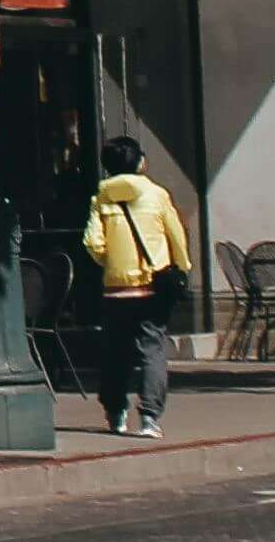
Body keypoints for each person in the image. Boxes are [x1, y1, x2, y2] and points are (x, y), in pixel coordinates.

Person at [81, 138, 194, 440]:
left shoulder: (101, 198)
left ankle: (116, 413)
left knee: (115, 352)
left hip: (115, 288)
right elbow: (176, 236)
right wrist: (181, 268)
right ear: (140, 162)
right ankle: (149, 418)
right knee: (151, 350)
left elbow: (92, 242)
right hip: (150, 286)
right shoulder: (157, 195)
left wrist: (113, 262)